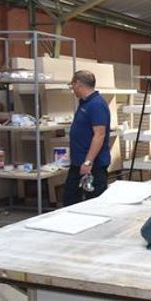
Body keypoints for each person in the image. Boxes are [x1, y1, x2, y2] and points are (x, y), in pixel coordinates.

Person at [63, 70, 110, 206]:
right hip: (79, 162)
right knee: (70, 199)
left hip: (92, 165)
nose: (72, 88)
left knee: (94, 204)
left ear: (78, 83)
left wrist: (88, 162)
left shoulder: (96, 104)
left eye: (72, 84)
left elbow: (99, 134)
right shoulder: (85, 103)